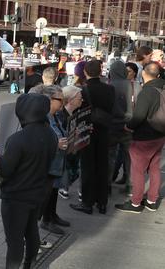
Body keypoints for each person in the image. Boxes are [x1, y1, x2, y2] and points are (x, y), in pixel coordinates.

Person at [0, 93, 56, 269]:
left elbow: (6, 171)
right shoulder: (51, 134)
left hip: (16, 197)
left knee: (15, 241)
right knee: (32, 232)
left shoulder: (17, 139)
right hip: (38, 193)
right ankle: (30, 264)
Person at [116, 62, 165, 213]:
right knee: (154, 168)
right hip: (160, 134)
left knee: (137, 170)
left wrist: (128, 126)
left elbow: (139, 116)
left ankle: (136, 202)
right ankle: (152, 200)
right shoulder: (162, 87)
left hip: (144, 136)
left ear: (144, 73)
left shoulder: (147, 91)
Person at [71, 60, 115, 215]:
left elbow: (78, 113)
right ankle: (102, 203)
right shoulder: (110, 89)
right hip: (104, 130)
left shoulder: (83, 90)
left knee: (88, 167)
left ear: (85, 73)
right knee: (102, 166)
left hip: (87, 131)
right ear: (100, 71)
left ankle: (87, 203)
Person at [29, 85, 70, 235]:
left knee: (53, 192)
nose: (63, 102)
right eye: (60, 99)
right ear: (49, 100)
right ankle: (45, 221)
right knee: (45, 196)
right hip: (48, 166)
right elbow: (38, 141)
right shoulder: (42, 118)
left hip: (56, 164)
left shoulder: (55, 115)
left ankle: (52, 216)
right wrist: (56, 143)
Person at [107, 60, 133, 194]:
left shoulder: (109, 85)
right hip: (129, 127)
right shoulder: (133, 85)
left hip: (111, 127)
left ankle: (107, 185)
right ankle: (130, 185)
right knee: (130, 157)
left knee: (110, 157)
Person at [57, 86, 83, 200]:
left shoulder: (74, 113)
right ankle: (63, 187)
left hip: (72, 148)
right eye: (79, 98)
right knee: (68, 166)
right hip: (65, 149)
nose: (81, 100)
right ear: (70, 100)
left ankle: (64, 186)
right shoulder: (61, 116)